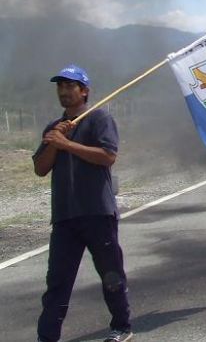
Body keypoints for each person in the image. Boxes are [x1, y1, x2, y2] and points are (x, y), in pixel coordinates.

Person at [33, 65, 133, 342]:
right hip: (64, 216)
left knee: (111, 276)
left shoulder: (99, 119)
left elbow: (107, 156)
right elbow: (40, 168)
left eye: (69, 86)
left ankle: (122, 327)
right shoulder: (54, 128)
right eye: (60, 86)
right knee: (57, 283)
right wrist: (55, 142)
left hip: (97, 212)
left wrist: (66, 144)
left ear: (84, 91)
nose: (63, 91)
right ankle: (47, 336)